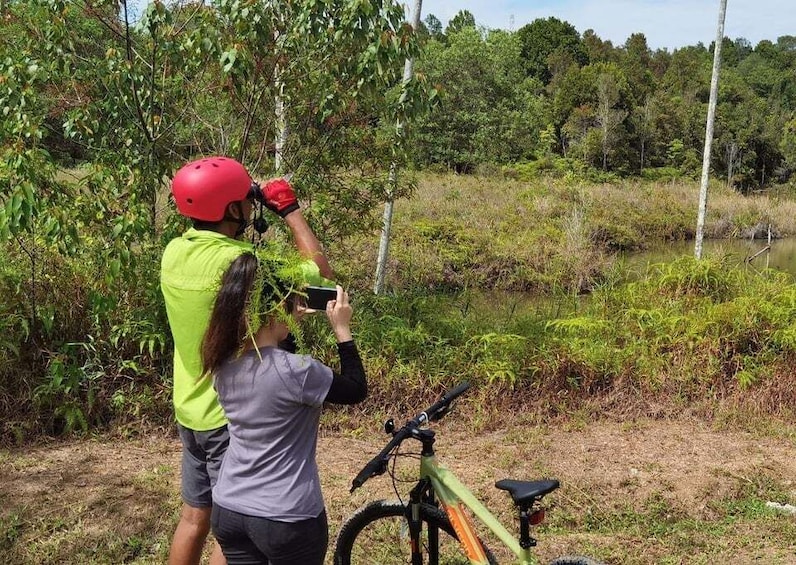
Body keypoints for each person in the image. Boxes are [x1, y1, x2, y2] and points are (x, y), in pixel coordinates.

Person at [160, 156, 333, 565]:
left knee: (192, 519)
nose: (250, 207)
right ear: (233, 210)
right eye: (245, 201)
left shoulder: (173, 253)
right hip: (233, 415)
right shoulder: (247, 266)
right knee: (231, 533)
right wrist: (289, 210)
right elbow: (322, 275)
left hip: (189, 408)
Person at [201, 253, 367, 565]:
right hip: (287, 515)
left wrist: (286, 324)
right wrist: (342, 329)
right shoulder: (299, 371)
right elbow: (356, 389)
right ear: (279, 309)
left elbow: (269, 363)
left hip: (230, 510)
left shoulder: (222, 365)